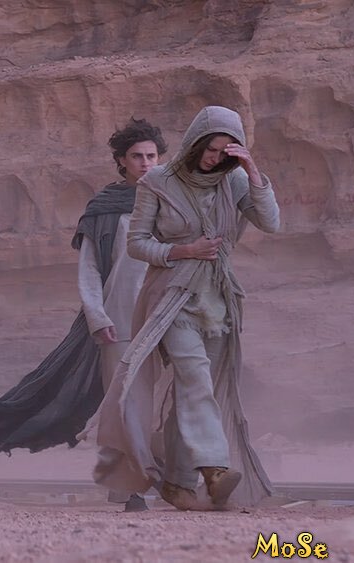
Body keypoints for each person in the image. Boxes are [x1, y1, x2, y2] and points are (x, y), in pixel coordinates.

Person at [0, 120, 167, 513]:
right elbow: (90, 269)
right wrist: (97, 316)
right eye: (137, 156)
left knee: (167, 401)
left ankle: (174, 480)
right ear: (121, 161)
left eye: (152, 156)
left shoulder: (173, 203)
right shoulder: (105, 208)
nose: (145, 163)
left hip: (166, 317)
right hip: (118, 320)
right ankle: (131, 488)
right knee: (124, 407)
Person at [82, 105, 280, 511]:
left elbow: (271, 222)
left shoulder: (234, 180)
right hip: (170, 295)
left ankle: (178, 481)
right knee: (194, 375)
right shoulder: (158, 181)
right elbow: (138, 244)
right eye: (210, 148)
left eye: (224, 151)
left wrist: (253, 172)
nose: (214, 158)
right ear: (194, 142)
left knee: (192, 390)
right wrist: (183, 250)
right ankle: (214, 467)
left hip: (218, 298)